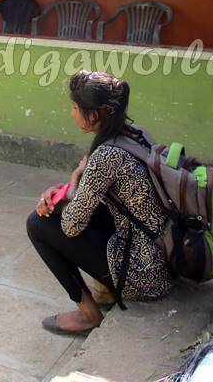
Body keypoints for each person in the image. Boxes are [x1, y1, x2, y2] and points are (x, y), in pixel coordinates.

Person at [26, 70, 173, 335]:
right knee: (85, 210)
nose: (72, 114)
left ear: (92, 114)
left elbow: (70, 227)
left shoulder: (106, 156)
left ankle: (88, 313)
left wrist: (70, 183)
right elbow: (90, 201)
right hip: (163, 258)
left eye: (74, 107)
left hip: (143, 274)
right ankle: (105, 291)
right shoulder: (136, 133)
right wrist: (64, 193)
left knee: (38, 224)